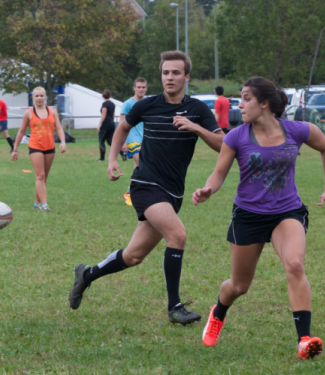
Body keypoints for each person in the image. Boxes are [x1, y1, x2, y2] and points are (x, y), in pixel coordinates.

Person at [68, 51, 224, 325]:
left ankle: (87, 275)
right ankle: (175, 307)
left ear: (186, 76)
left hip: (173, 192)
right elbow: (122, 128)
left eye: (176, 73)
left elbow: (223, 144)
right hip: (145, 185)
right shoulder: (148, 105)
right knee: (177, 235)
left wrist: (195, 128)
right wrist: (113, 159)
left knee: (133, 256)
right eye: (165, 73)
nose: (170, 78)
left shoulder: (198, 109)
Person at [193, 77, 325, 360]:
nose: (240, 104)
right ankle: (219, 312)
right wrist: (209, 188)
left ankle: (304, 340)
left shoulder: (298, 130)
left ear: (264, 103)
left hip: (287, 211)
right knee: (239, 286)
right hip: (248, 215)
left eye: (246, 98)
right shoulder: (236, 136)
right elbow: (219, 172)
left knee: (295, 264)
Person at [11, 87, 67, 212]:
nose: (39, 98)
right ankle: (45, 205)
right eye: (37, 96)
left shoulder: (52, 111)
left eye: (42, 95)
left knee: (44, 177)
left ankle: (37, 203)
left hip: (50, 147)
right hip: (35, 146)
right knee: (40, 175)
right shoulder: (29, 113)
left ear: (45, 97)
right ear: (33, 98)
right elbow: (21, 132)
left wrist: (63, 142)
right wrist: (15, 149)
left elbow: (58, 128)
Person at [120, 78, 148, 206]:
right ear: (134, 88)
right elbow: (121, 123)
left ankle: (136, 192)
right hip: (132, 139)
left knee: (138, 167)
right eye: (139, 87)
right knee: (141, 163)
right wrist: (123, 142)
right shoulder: (127, 104)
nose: (141, 89)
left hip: (145, 138)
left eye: (143, 87)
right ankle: (129, 192)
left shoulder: (148, 102)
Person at [97, 90, 116, 161]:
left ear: (103, 96)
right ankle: (122, 152)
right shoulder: (113, 104)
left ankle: (102, 158)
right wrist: (111, 123)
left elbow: (103, 115)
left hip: (106, 124)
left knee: (101, 140)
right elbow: (113, 115)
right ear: (110, 95)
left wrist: (99, 125)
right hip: (112, 124)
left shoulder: (105, 104)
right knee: (110, 141)